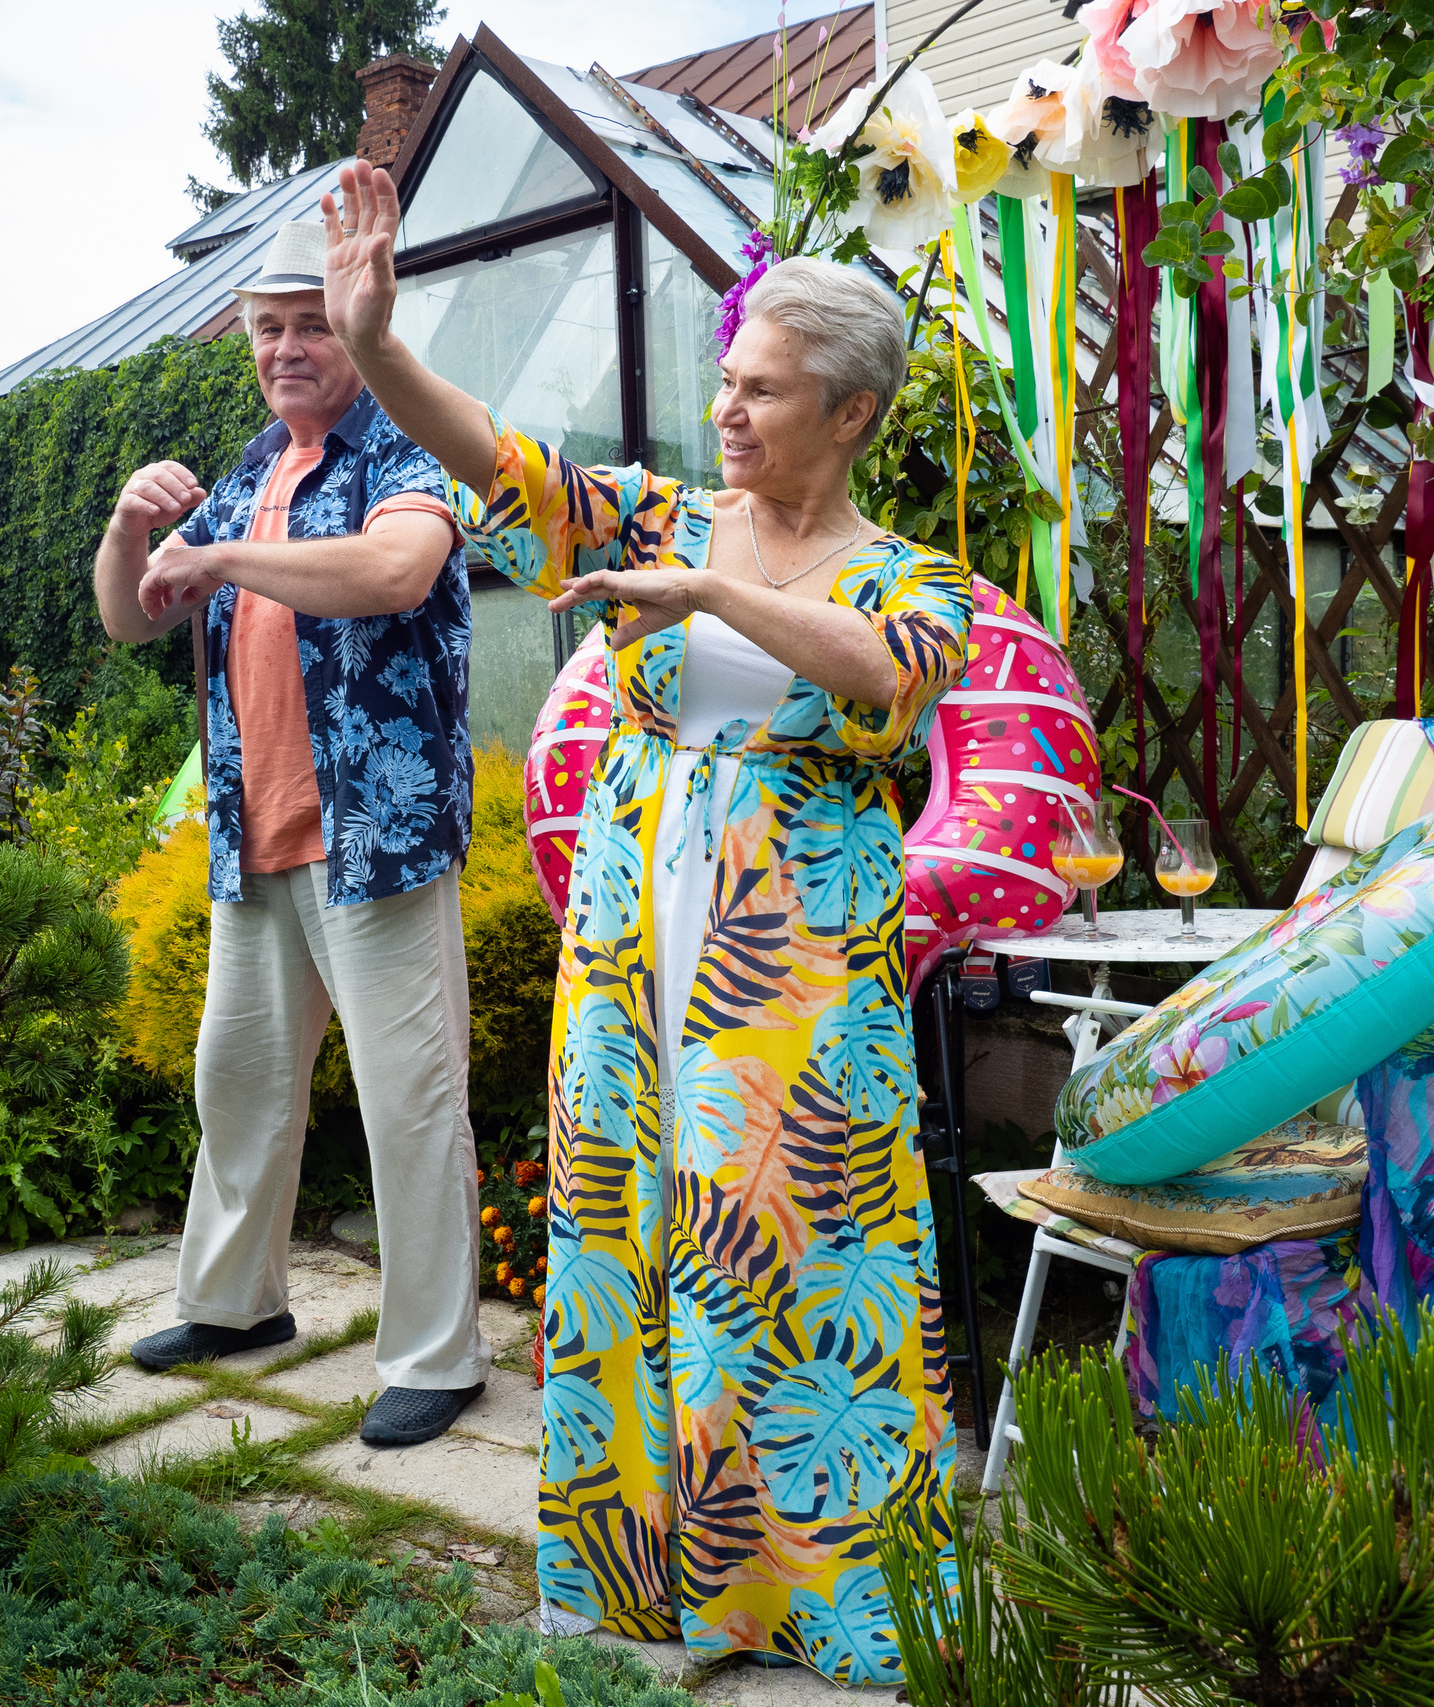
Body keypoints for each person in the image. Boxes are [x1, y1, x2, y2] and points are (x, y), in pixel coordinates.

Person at [313, 161, 975, 1683]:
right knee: (626, 1239)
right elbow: (504, 464)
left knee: (792, 1250)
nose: (727, 411)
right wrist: (378, 346)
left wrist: (710, 594)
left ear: (852, 412)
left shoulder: (914, 578)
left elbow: (883, 675)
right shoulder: (668, 511)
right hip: (630, 951)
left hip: (792, 971)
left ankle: (823, 1600)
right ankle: (644, 1585)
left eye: (763, 391)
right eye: (726, 383)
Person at [95, 220, 492, 1449]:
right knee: (239, 1087)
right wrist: (127, 531)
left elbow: (394, 574)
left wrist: (226, 552)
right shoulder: (250, 468)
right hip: (253, 839)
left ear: (360, 325)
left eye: (310, 322)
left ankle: (439, 1357)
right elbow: (133, 620)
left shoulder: (400, 455)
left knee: (409, 1102)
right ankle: (233, 1307)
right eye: (267, 329)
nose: (286, 348)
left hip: (375, 839)